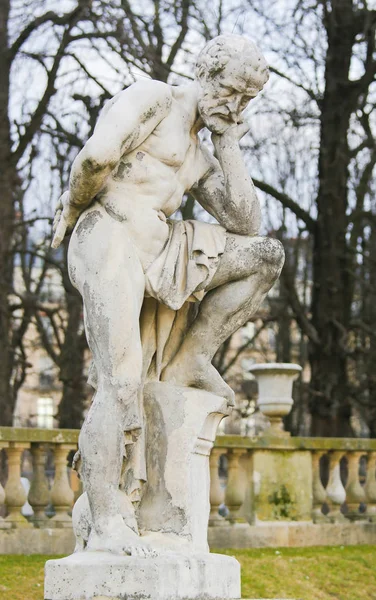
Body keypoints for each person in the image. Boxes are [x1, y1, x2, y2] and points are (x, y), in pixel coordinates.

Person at [52, 34, 284, 555]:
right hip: (109, 232)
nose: (236, 104)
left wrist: (228, 143)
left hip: (162, 249)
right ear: (207, 72)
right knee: (121, 380)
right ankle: (109, 518)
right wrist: (71, 208)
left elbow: (245, 221)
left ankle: (191, 359)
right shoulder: (155, 98)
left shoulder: (201, 153)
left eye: (248, 98)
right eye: (231, 90)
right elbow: (96, 157)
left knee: (266, 256)